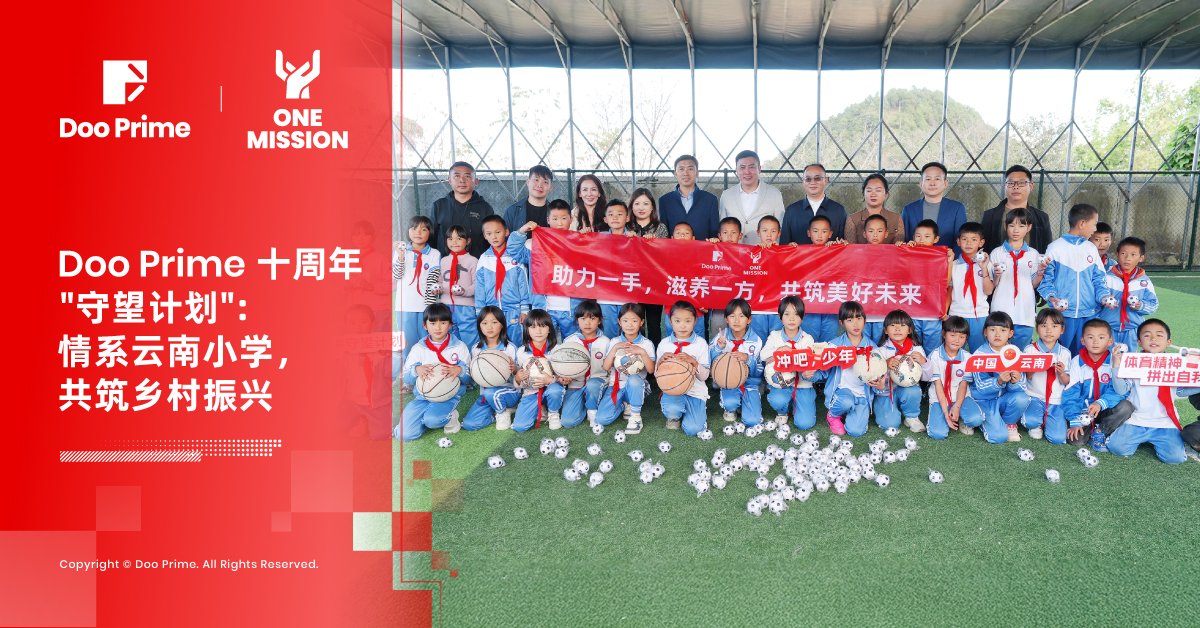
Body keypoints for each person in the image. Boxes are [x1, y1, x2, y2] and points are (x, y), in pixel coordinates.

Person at [1105, 319, 1199, 464]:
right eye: (1147, 335)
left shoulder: (1175, 364)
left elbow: (1180, 391)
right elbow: (1121, 389)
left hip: (1165, 422)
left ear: (1168, 342)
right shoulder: (1134, 362)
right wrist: (1116, 365)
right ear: (1139, 342)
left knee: (1175, 459)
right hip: (1136, 419)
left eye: (1159, 335)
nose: (1153, 339)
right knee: (1118, 449)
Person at [394, 303, 471, 441]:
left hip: (448, 396)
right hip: (422, 396)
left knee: (432, 421)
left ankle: (451, 417)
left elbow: (469, 377)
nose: (438, 327)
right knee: (403, 435)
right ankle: (420, 420)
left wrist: (460, 370)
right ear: (425, 325)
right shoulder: (418, 349)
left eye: (443, 323)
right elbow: (406, 377)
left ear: (450, 325)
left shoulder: (459, 347)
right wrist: (416, 370)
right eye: (433, 323)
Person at [1038, 203, 1107, 354]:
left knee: (1085, 357)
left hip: (1089, 314)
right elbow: (1046, 281)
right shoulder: (1055, 248)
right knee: (1059, 357)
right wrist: (1052, 298)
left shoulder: (1091, 248)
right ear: (1082, 223)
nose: (1095, 229)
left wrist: (1104, 297)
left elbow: (1099, 280)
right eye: (1094, 224)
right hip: (1062, 316)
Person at [507, 199, 576, 340]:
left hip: (571, 308)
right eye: (555, 219)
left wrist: (587, 238)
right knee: (544, 344)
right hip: (544, 308)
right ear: (548, 220)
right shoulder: (536, 243)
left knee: (573, 345)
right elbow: (514, 251)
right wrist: (522, 231)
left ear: (571, 219)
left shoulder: (579, 244)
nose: (560, 223)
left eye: (564, 218)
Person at [1061, 319, 1132, 450]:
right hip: (1085, 411)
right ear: (1082, 341)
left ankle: (1101, 431)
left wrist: (1100, 403)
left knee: (1126, 407)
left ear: (1110, 341)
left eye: (1101, 337)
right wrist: (1075, 421)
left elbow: (1122, 391)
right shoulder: (1076, 362)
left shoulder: (1116, 360)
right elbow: (1071, 393)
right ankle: (1092, 429)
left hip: (1107, 409)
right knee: (1075, 440)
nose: (1095, 341)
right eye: (1090, 337)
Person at [961, 311, 1030, 444]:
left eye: (1003, 330)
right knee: (998, 438)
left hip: (1004, 399)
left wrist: (1015, 382)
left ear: (1010, 333)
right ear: (985, 332)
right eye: (993, 330)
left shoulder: (1016, 353)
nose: (997, 334)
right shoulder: (979, 355)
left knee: (1022, 398)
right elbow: (981, 387)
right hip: (984, 401)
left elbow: (1023, 386)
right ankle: (982, 417)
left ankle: (1009, 423)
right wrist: (998, 381)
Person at [988, 208, 1046, 349]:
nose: (1016, 230)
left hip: (1025, 313)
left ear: (1029, 228)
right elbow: (992, 285)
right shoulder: (997, 253)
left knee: (1020, 354)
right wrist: (996, 275)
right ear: (1005, 226)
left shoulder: (1033, 254)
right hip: (1001, 311)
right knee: (998, 351)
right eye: (1012, 225)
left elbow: (1034, 284)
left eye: (1021, 226)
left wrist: (1041, 271)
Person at [595, 303, 656, 434]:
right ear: (619, 322)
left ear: (641, 322)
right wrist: (615, 349)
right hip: (616, 386)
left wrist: (642, 352)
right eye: (625, 320)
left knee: (633, 379)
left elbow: (651, 370)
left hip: (637, 386)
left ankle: (635, 417)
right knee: (602, 419)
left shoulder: (646, 343)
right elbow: (606, 367)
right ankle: (624, 404)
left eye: (634, 321)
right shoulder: (614, 341)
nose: (630, 325)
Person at [761, 296, 820, 429]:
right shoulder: (775, 335)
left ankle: (799, 404)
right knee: (777, 400)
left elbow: (810, 363)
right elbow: (762, 355)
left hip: (803, 384)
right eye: (787, 314)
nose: (792, 318)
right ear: (780, 316)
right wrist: (778, 350)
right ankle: (783, 411)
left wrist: (790, 355)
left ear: (802, 317)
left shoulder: (808, 339)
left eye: (796, 314)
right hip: (781, 384)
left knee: (804, 424)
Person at [823, 301, 878, 437]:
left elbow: (879, 380)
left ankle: (850, 412)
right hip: (843, 391)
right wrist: (810, 373)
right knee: (846, 401)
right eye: (849, 320)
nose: (855, 324)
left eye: (859, 318)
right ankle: (833, 415)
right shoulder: (833, 346)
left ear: (864, 320)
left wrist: (880, 384)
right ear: (842, 323)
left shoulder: (873, 348)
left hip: (862, 395)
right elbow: (823, 371)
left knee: (856, 432)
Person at [338, 305, 394, 440]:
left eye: (363, 322)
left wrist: (394, 354)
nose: (358, 327)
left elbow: (390, 372)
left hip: (376, 403)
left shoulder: (381, 347)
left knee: (381, 434)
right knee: (334, 426)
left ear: (373, 323)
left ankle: (369, 419)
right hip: (350, 401)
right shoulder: (342, 349)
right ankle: (360, 419)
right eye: (352, 323)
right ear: (345, 325)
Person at [461, 306, 520, 431]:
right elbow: (474, 376)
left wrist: (515, 369)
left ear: (502, 324)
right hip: (486, 394)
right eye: (484, 323)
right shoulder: (476, 349)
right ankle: (496, 415)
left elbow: (519, 378)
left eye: (494, 322)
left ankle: (503, 412)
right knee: (469, 424)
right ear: (479, 326)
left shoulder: (510, 348)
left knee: (491, 392)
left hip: (509, 393)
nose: (489, 327)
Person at [656, 301, 712, 435]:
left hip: (696, 391)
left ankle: (696, 411)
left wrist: (694, 362)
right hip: (672, 391)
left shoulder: (701, 344)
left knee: (693, 430)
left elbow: (704, 376)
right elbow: (658, 376)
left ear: (695, 321)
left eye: (688, 321)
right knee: (672, 411)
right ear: (670, 321)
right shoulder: (664, 344)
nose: (682, 325)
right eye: (677, 321)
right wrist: (660, 363)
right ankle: (675, 415)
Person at [511, 309, 572, 431]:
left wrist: (551, 380)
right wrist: (517, 378)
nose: (538, 331)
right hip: (531, 391)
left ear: (549, 329)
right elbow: (521, 382)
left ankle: (553, 412)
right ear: (527, 330)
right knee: (519, 427)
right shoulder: (522, 352)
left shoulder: (557, 350)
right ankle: (540, 407)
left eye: (543, 326)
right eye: (533, 327)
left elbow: (563, 377)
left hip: (552, 389)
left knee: (555, 390)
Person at [474, 215, 531, 344]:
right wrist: (480, 312)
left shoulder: (515, 255)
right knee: (494, 344)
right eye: (489, 233)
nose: (494, 237)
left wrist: (524, 309)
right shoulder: (484, 259)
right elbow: (479, 287)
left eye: (498, 232)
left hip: (514, 309)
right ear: (484, 236)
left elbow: (523, 283)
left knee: (515, 342)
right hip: (491, 311)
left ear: (506, 232)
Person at [393, 216, 442, 365]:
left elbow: (432, 279)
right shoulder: (401, 251)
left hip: (425, 307)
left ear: (430, 232)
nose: (418, 232)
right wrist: (401, 256)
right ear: (408, 231)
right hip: (404, 306)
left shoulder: (434, 253)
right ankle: (409, 371)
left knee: (427, 341)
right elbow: (396, 275)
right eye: (414, 228)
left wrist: (429, 306)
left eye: (423, 229)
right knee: (407, 342)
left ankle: (428, 370)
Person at [1020, 308, 1072, 443]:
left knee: (1057, 438)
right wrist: (1036, 367)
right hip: (1034, 396)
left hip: (1056, 400)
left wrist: (1061, 373)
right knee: (1030, 421)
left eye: (1054, 326)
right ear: (1037, 329)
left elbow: (1066, 381)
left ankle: (1050, 421)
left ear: (1062, 330)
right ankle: (1036, 424)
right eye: (1044, 326)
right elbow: (1025, 378)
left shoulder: (1065, 353)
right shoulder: (1030, 350)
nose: (1049, 330)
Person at [710, 299, 763, 427]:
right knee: (730, 404)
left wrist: (748, 358)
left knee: (752, 421)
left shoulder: (756, 340)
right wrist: (719, 348)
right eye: (732, 316)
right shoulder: (720, 338)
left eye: (741, 316)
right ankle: (732, 407)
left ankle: (748, 401)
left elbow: (760, 371)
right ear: (726, 319)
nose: (737, 320)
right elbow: (710, 363)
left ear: (749, 319)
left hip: (750, 383)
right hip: (729, 382)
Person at [1098, 236, 1158, 349]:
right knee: (1107, 357)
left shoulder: (1144, 282)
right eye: (1123, 253)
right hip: (1107, 328)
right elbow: (1097, 297)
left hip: (1132, 330)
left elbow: (1153, 304)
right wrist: (1104, 300)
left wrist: (1141, 306)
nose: (1127, 258)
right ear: (1117, 254)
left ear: (1141, 258)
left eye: (1133, 255)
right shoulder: (1107, 277)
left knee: (1128, 358)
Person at [874, 310, 928, 434]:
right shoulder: (880, 351)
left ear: (910, 330)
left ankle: (911, 416)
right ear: (885, 330)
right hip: (886, 392)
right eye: (893, 325)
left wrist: (924, 362)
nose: (897, 329)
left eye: (902, 325)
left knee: (913, 390)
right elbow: (873, 377)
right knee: (889, 424)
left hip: (907, 390)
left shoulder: (917, 349)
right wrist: (885, 365)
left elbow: (926, 377)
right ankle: (887, 408)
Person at [627, 188, 669, 346]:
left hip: (654, 285)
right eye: (637, 203)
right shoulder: (626, 227)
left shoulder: (660, 227)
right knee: (634, 323)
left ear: (652, 207)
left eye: (646, 203)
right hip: (632, 283)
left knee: (654, 325)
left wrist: (653, 243)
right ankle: (636, 356)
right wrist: (627, 238)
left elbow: (664, 256)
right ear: (631, 206)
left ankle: (654, 357)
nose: (641, 207)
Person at [898, 219, 947, 352]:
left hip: (932, 313)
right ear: (913, 237)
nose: (922, 240)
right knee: (913, 351)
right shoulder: (908, 254)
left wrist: (949, 260)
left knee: (933, 351)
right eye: (918, 236)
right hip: (912, 312)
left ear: (936, 239)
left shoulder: (940, 258)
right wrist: (903, 249)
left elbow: (946, 284)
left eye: (927, 236)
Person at [429, 162, 496, 258]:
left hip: (476, 264)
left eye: (467, 176)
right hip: (444, 264)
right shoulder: (439, 205)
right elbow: (432, 238)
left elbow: (491, 240)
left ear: (476, 181)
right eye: (457, 176)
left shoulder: (485, 207)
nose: (462, 180)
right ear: (449, 180)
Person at [980, 165, 1052, 254]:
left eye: (1021, 183)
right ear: (1005, 186)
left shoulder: (1041, 217)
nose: (1016, 187)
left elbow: (1047, 250)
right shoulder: (989, 216)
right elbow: (982, 248)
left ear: (1031, 186)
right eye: (1011, 183)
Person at [561, 300, 610, 428]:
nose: (587, 323)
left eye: (592, 318)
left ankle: (592, 410)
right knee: (568, 422)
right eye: (583, 318)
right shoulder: (569, 342)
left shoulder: (606, 342)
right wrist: (564, 377)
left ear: (599, 320)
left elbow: (611, 370)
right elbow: (562, 367)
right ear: (577, 320)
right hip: (575, 385)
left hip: (598, 384)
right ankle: (584, 404)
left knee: (592, 384)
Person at [719, 150, 785, 245]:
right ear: (736, 170)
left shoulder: (774, 194)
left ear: (759, 169)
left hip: (763, 251)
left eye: (751, 167)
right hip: (735, 252)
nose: (747, 172)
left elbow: (781, 225)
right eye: (742, 167)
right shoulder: (726, 195)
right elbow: (722, 225)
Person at [901, 162, 967, 254]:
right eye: (928, 179)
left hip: (947, 261)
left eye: (937, 179)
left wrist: (950, 260)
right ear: (921, 183)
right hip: (915, 260)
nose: (932, 183)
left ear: (945, 183)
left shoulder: (957, 208)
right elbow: (905, 239)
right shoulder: (909, 209)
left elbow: (961, 240)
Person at [926, 316, 974, 440]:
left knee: (975, 419)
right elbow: (938, 386)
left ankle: (962, 417)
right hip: (940, 397)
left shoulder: (968, 358)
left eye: (962, 337)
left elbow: (963, 385)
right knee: (938, 434)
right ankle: (946, 415)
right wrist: (946, 414)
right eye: (952, 335)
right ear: (943, 334)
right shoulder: (934, 356)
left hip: (960, 396)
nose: (957, 340)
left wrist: (957, 406)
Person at [947, 222, 994, 352]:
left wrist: (984, 269)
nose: (968, 243)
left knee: (979, 352)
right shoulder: (953, 265)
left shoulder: (987, 265)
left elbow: (988, 291)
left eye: (974, 239)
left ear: (981, 242)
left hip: (979, 315)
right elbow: (948, 289)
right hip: (956, 314)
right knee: (953, 350)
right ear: (958, 241)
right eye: (964, 239)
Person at [780, 163, 848, 244]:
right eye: (808, 179)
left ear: (825, 181)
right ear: (803, 182)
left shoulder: (839, 210)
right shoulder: (792, 211)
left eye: (817, 178)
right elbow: (784, 244)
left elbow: (844, 244)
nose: (812, 182)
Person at [596, 200, 634, 338]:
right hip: (605, 297)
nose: (615, 217)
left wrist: (639, 241)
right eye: (611, 214)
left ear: (627, 218)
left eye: (619, 214)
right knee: (608, 336)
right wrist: (585, 234)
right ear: (605, 219)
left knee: (629, 333)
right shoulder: (598, 238)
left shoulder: (634, 239)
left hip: (628, 295)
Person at [799, 215, 840, 342]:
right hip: (810, 303)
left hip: (830, 303)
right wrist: (791, 249)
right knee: (809, 341)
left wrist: (842, 247)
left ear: (830, 234)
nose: (820, 235)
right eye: (815, 231)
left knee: (828, 341)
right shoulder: (799, 253)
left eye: (824, 231)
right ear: (809, 233)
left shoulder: (837, 251)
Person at [659, 155, 720, 241]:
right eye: (681, 169)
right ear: (675, 173)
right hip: (674, 249)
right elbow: (663, 234)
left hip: (701, 249)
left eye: (690, 169)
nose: (686, 173)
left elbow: (714, 232)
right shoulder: (665, 201)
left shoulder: (710, 200)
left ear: (697, 173)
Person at [437, 225, 478, 349]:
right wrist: (438, 289)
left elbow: (477, 285)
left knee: (469, 336)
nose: (454, 242)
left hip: (466, 307)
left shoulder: (473, 261)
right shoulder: (443, 260)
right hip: (445, 306)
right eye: (450, 239)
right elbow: (440, 280)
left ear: (468, 241)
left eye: (459, 238)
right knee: (449, 338)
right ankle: (452, 359)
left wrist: (465, 291)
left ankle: (471, 359)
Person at [347, 220, 392, 333]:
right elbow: (342, 285)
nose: (361, 238)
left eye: (365, 235)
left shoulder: (381, 260)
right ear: (351, 238)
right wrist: (346, 286)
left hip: (377, 309)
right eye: (357, 235)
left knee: (378, 341)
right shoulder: (348, 259)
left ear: (374, 237)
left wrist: (370, 286)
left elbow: (391, 285)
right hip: (355, 310)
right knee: (358, 342)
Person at [844, 174, 904, 245]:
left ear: (886, 194)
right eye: (869, 190)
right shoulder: (853, 219)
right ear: (863, 194)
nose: (873, 194)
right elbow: (850, 248)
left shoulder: (896, 218)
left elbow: (899, 247)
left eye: (878, 190)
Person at [860, 214, 892, 342]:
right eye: (871, 231)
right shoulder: (856, 253)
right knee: (863, 345)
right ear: (864, 233)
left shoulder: (893, 254)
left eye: (879, 231)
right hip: (863, 308)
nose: (875, 235)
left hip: (883, 308)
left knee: (881, 345)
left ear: (886, 233)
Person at [502, 165, 554, 232]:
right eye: (536, 180)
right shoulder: (513, 211)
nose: (539, 185)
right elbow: (505, 237)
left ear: (550, 187)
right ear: (528, 182)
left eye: (545, 182)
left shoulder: (555, 212)